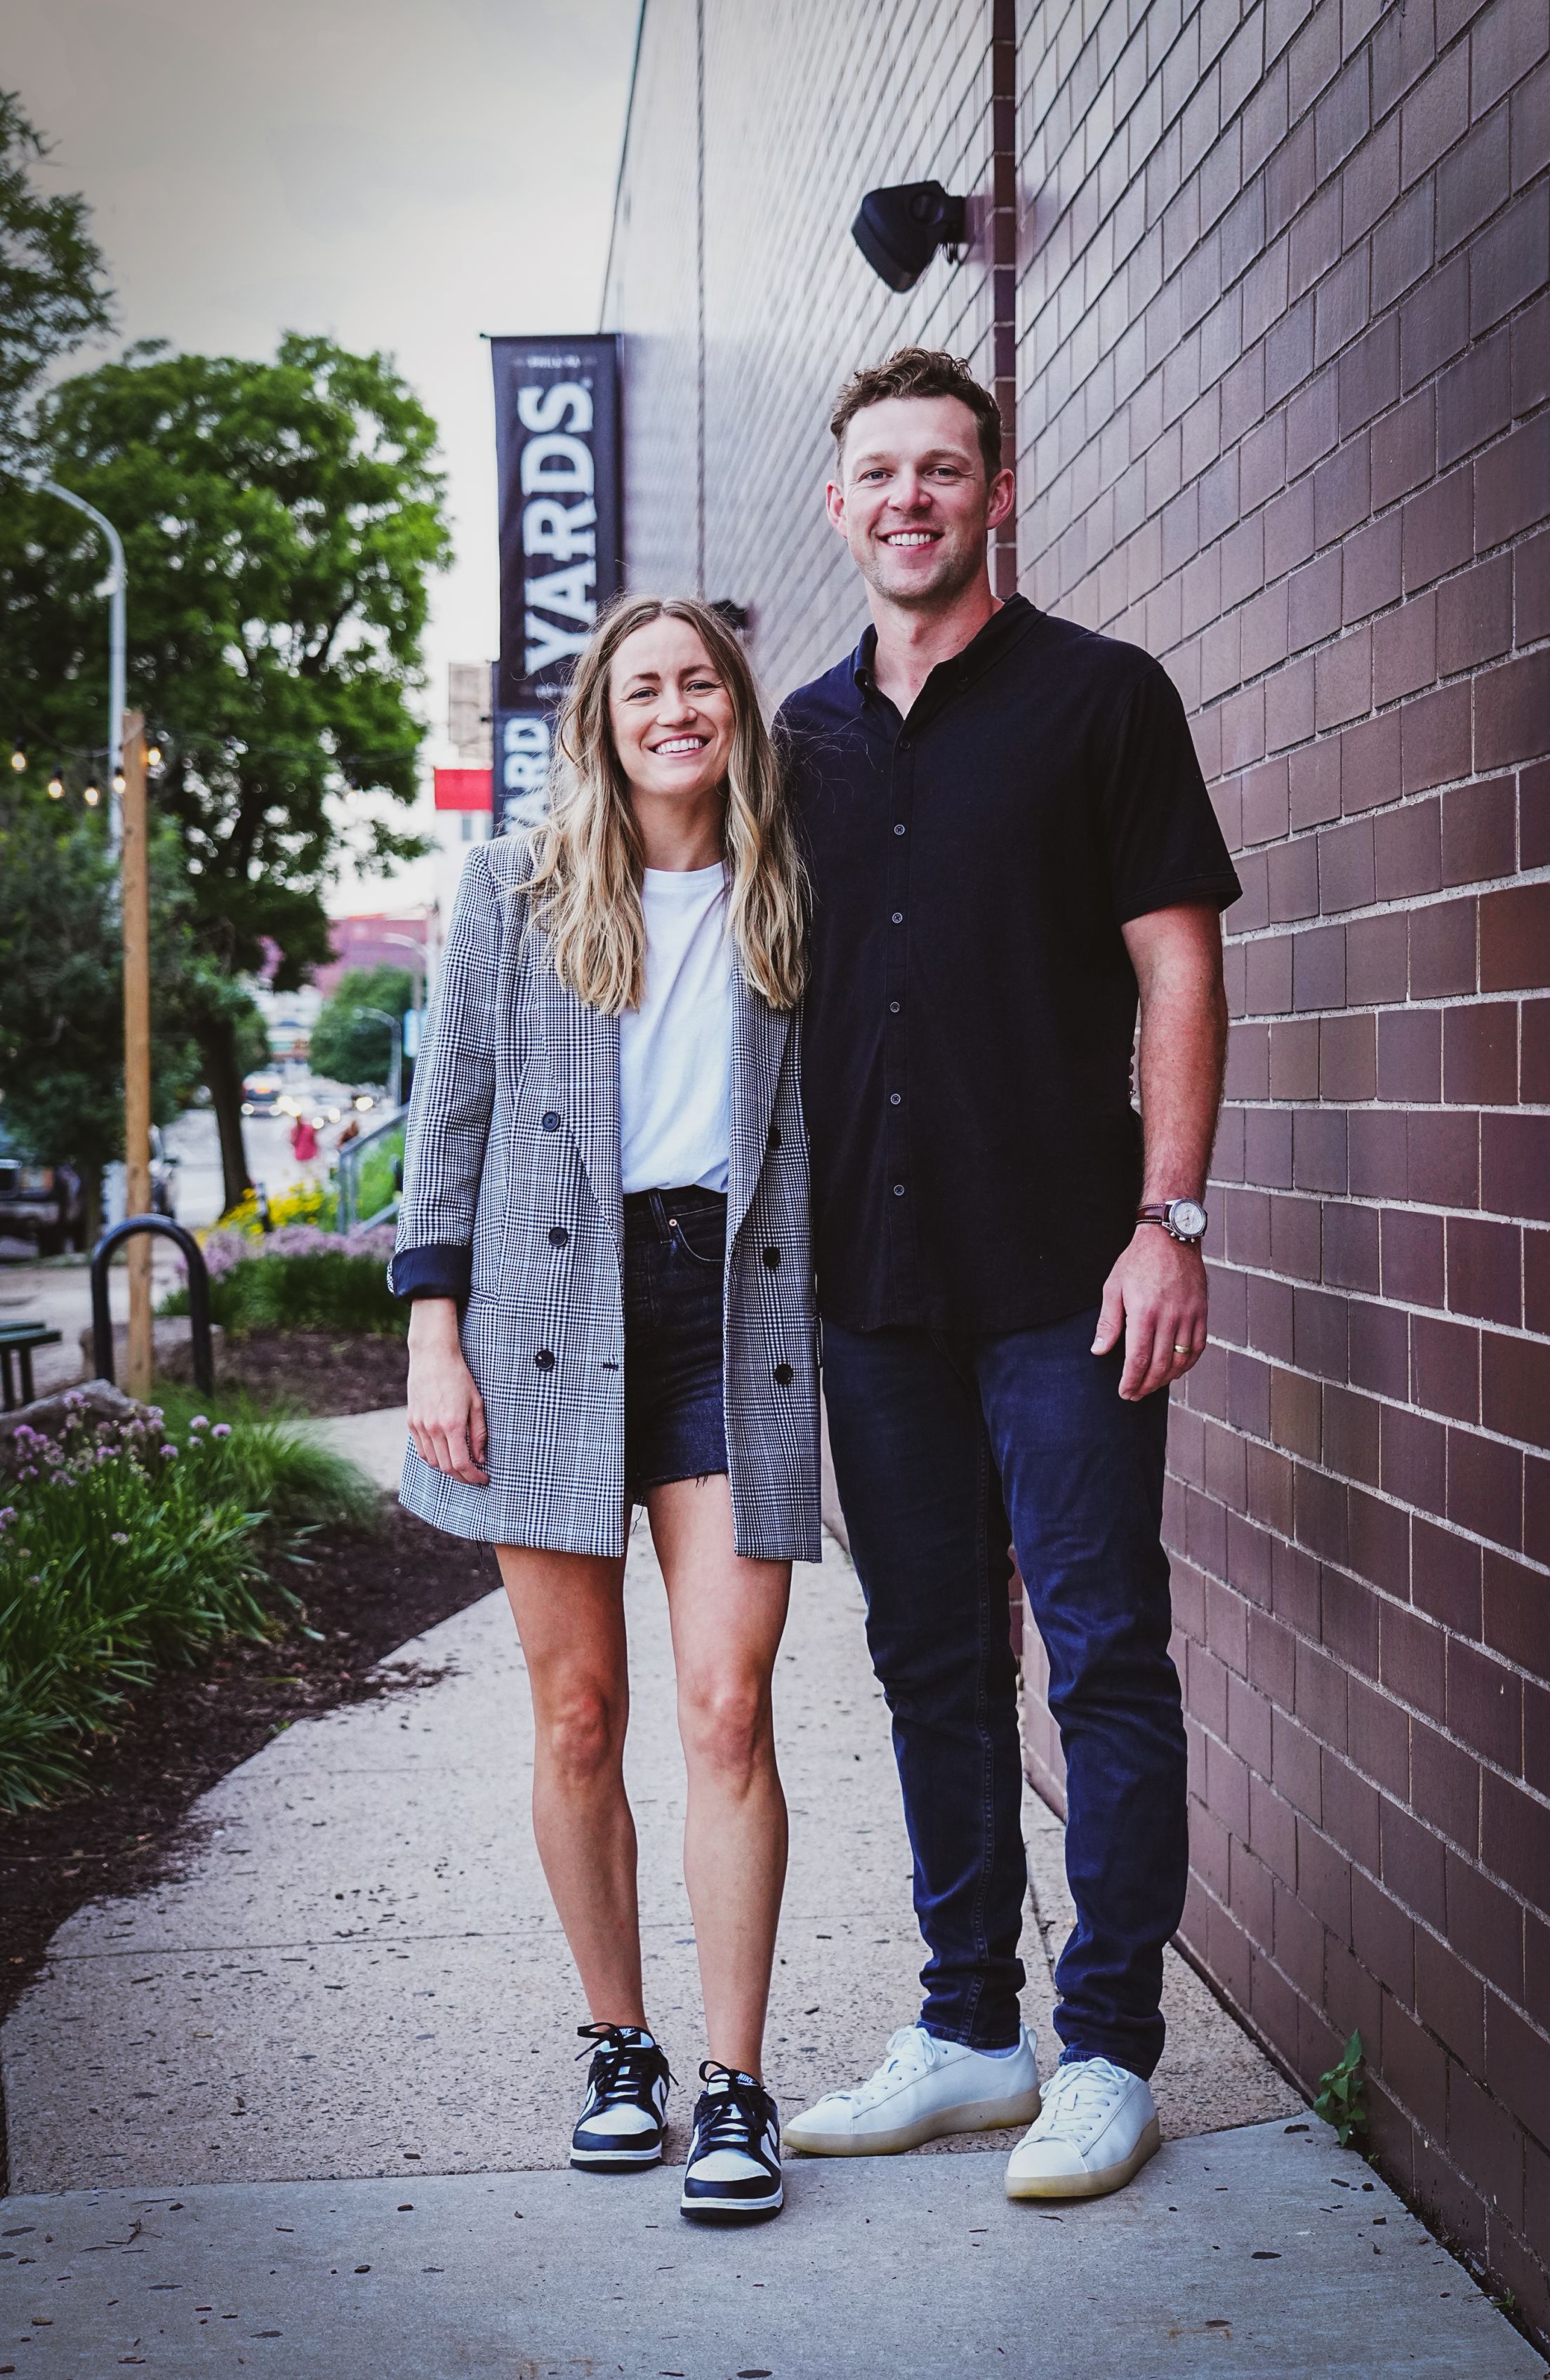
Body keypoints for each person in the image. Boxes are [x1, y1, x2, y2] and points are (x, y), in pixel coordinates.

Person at [779, 349, 1240, 2200]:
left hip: (1070, 1271)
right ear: (841, 505)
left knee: (1106, 1657)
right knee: (931, 1665)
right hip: (872, 1293)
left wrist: (1173, 1218)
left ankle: (1108, 2049)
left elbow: (1180, 968)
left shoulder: (1102, 700)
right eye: (879, 472)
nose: (909, 497)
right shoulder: (795, 735)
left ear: (997, 494)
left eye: (942, 470)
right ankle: (971, 2030)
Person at [390, 594, 819, 2225]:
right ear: (602, 718)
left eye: (698, 680)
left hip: (732, 1317)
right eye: (643, 686)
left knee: (728, 1707)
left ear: (734, 708)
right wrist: (438, 1339)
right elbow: (455, 1115)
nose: (673, 707)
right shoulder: (512, 885)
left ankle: (734, 2083)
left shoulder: (791, 890)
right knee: (579, 1717)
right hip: (550, 1321)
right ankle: (617, 2044)